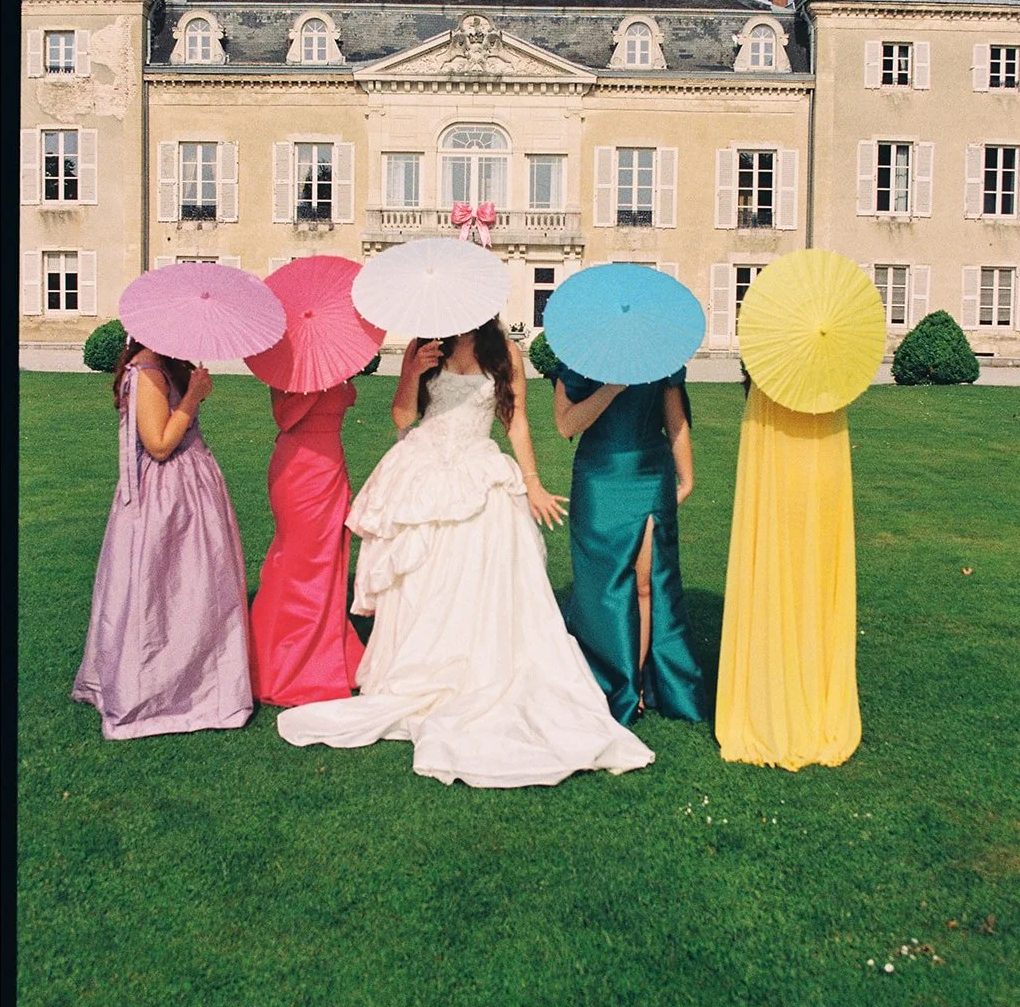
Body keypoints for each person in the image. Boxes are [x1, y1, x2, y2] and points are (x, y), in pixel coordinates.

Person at [277, 319, 654, 787]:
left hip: (478, 470)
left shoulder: (507, 352)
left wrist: (532, 482)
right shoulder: (423, 345)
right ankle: (415, 668)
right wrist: (414, 370)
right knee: (420, 579)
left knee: (479, 577)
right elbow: (401, 418)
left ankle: (478, 670)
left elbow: (514, 422)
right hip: (421, 473)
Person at [73, 340, 253, 738]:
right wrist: (192, 396)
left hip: (190, 486)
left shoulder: (168, 364)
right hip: (167, 494)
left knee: (197, 587)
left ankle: (198, 675)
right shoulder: (148, 373)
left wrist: (190, 385)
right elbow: (158, 444)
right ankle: (165, 689)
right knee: (167, 588)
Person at [714, 379, 861, 769]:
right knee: (816, 567)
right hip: (824, 437)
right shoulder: (835, 370)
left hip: (775, 433)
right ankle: (816, 698)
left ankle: (769, 698)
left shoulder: (771, 364)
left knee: (774, 558)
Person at [550, 363, 705, 726]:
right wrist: (612, 387)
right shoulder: (580, 360)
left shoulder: (661, 358)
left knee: (644, 583)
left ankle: (631, 683)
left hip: (650, 473)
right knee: (601, 587)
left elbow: (675, 421)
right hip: (599, 478)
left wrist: (687, 477)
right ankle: (602, 675)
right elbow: (566, 425)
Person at [249, 382, 365, 706]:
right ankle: (278, 659)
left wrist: (332, 379)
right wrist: (313, 386)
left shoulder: (335, 367)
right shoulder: (286, 374)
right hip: (297, 467)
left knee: (328, 561)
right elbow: (286, 417)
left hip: (331, 466)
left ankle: (329, 653)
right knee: (296, 563)